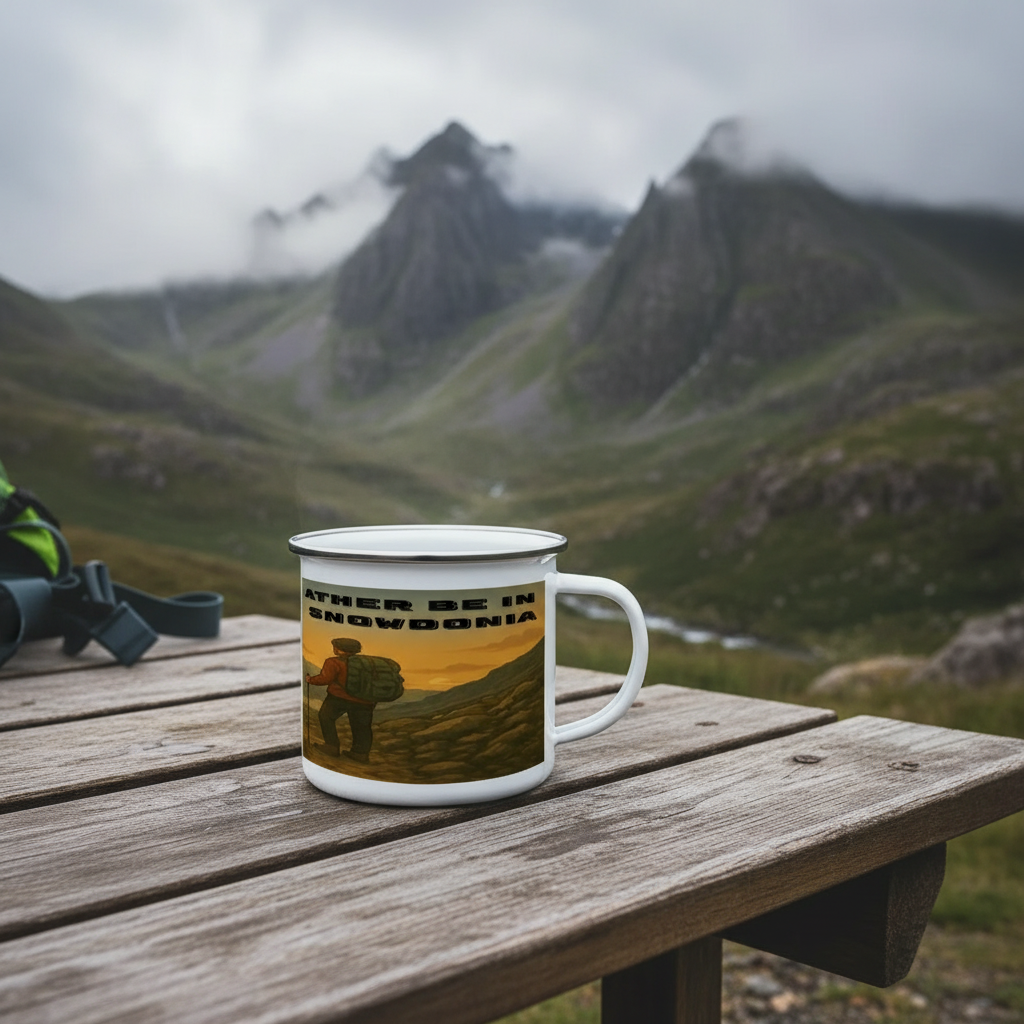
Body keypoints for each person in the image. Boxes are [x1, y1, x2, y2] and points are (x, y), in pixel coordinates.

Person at [305, 637, 375, 764]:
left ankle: (331, 747)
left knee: (325, 716)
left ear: (339, 649)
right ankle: (360, 754)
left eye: (335, 646)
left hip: (339, 697)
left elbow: (325, 679)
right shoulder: (368, 663)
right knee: (362, 726)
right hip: (365, 701)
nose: (334, 649)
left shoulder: (333, 662)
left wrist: (310, 680)